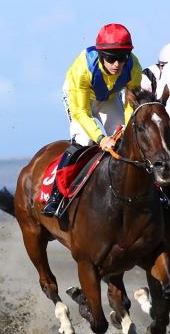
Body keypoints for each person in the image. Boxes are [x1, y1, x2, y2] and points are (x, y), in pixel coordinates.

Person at [42, 23, 142, 217]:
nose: (117, 65)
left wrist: (127, 128)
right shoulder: (83, 68)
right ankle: (55, 196)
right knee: (83, 140)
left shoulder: (134, 66)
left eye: (122, 58)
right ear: (101, 55)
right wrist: (100, 138)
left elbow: (131, 104)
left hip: (109, 98)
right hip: (81, 99)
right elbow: (81, 112)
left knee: (125, 140)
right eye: (111, 58)